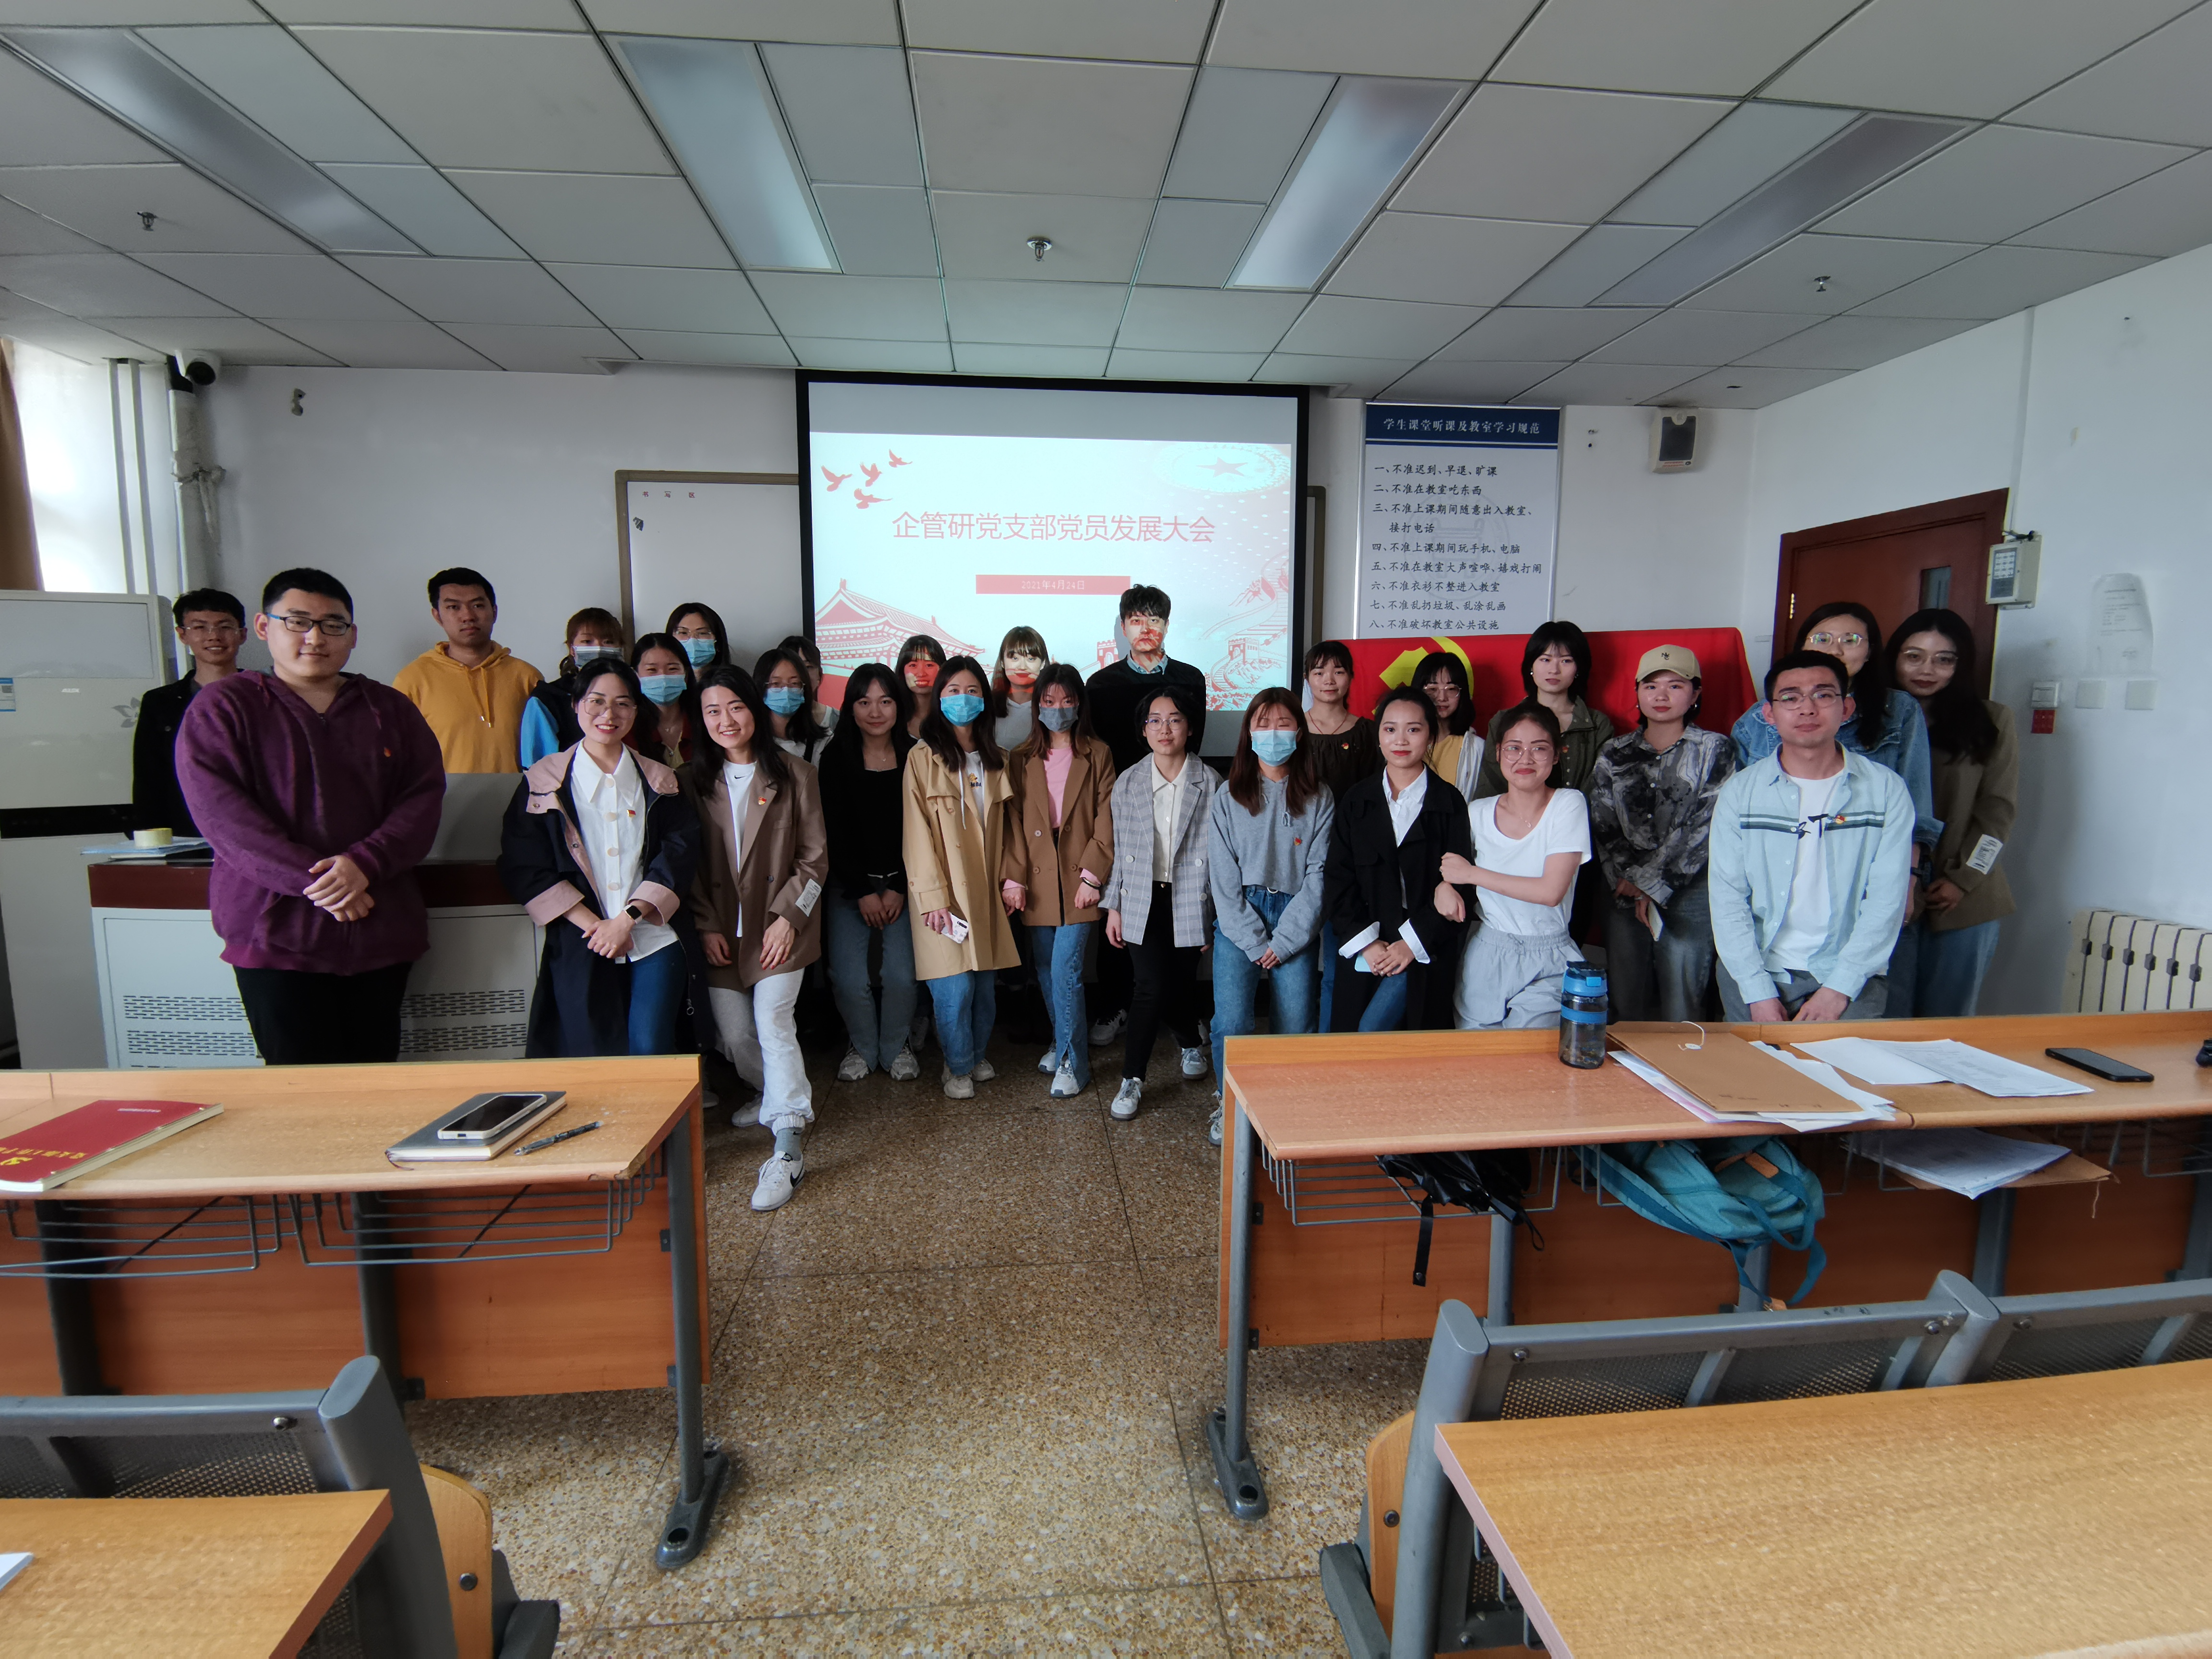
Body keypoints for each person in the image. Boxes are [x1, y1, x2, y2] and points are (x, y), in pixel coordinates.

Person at [176, 568, 444, 1065]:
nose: (316, 638)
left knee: (375, 1078)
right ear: (264, 627)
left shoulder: (390, 709)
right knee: (298, 1084)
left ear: (353, 635)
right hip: (276, 932)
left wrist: (363, 865)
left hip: (378, 924)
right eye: (298, 622)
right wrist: (321, 883)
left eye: (333, 625)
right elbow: (223, 817)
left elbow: (422, 799)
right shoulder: (224, 708)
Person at [500, 657, 699, 1059]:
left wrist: (625, 922)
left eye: (623, 704)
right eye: (597, 702)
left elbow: (678, 855)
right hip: (581, 937)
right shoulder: (542, 782)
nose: (609, 715)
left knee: (650, 1047)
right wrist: (598, 929)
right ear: (576, 705)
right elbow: (525, 864)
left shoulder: (661, 780)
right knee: (591, 1053)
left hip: (653, 933)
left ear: (636, 711)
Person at [1708, 650, 1915, 1023]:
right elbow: (1727, 897)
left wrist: (1839, 989)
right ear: (1769, 714)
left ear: (1846, 708)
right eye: (1790, 698)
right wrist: (1757, 991)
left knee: (1846, 1064)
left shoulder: (1885, 790)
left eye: (1823, 695)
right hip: (1756, 971)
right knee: (1750, 1064)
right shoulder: (1741, 791)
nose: (1807, 709)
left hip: (1851, 976)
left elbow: (1887, 899)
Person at [686, 665, 827, 1211]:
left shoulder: (796, 774)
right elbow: (686, 867)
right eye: (713, 711)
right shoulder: (688, 780)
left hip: (780, 932)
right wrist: (704, 923)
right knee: (736, 1034)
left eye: (736, 707)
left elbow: (814, 862)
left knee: (772, 1021)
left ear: (755, 710)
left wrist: (789, 918)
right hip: (720, 933)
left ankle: (787, 1145)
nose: (726, 720)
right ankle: (774, 1095)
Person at [1586, 645, 1736, 1023]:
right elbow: (1602, 820)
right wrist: (1633, 881)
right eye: (1651, 686)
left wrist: (1651, 883)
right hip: (1622, 889)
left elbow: (1707, 825)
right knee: (1626, 1000)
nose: (1662, 695)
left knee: (1683, 1002)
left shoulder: (1715, 749)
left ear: (1695, 694)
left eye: (1676, 686)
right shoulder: (1614, 753)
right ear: (1638, 693)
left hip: (1688, 893)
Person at [1085, 585, 1207, 1047]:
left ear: (1167, 626)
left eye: (1155, 619)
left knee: (1180, 916)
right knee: (1122, 908)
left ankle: (1182, 1014)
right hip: (1124, 807)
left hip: (1180, 804)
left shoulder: (1190, 679)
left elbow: (1191, 744)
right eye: (1137, 620)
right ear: (1124, 627)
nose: (1146, 628)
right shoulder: (1102, 684)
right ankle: (1115, 1005)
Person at [1209, 689, 1331, 1145]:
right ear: (1249, 733)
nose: (1273, 733)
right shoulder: (1228, 796)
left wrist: (1284, 941)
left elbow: (1320, 876)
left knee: (1295, 1025)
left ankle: (1283, 1108)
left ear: (1299, 733)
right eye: (1263, 724)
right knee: (1232, 1024)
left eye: (1283, 724)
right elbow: (1223, 879)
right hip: (1241, 915)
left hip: (1296, 916)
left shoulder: (1319, 796)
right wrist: (1254, 939)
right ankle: (1230, 1105)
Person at [1322, 686, 1472, 1034]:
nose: (1400, 740)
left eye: (1414, 729)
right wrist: (1367, 943)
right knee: (1351, 1039)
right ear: (1379, 736)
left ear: (1430, 736)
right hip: (1367, 946)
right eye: (1390, 729)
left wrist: (1412, 944)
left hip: (1424, 947)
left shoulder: (1449, 803)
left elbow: (1461, 888)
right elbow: (1338, 879)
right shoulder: (1356, 801)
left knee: (1392, 1038)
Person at [902, 656, 1019, 1097]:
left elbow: (1011, 832)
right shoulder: (922, 759)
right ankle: (957, 1068)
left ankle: (975, 1055)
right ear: (939, 699)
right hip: (944, 894)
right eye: (953, 691)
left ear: (985, 700)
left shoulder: (998, 759)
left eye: (972, 691)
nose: (963, 699)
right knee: (954, 988)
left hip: (986, 891)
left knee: (985, 988)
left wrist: (1012, 880)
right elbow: (915, 833)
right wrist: (933, 897)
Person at [1889, 609, 2017, 1016]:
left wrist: (1965, 878)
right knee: (1883, 1022)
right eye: (1914, 657)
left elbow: (1998, 811)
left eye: (1944, 659)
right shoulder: (1877, 720)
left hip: (1962, 896)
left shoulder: (1992, 720)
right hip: (1888, 891)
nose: (1927, 670)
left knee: (1945, 1024)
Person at [1100, 684, 1217, 1120]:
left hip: (1190, 897)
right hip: (1141, 897)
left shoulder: (1212, 783)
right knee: (1149, 986)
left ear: (1190, 728)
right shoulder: (1129, 781)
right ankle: (1132, 1078)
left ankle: (1189, 1041)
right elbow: (1119, 850)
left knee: (1180, 985)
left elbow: (1221, 857)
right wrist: (1113, 906)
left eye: (1174, 720)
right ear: (1144, 729)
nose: (1164, 729)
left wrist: (1215, 915)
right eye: (1155, 720)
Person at [1000, 663, 1115, 1099]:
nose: (1058, 709)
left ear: (1079, 704)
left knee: (1067, 971)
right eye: (1049, 701)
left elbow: (1107, 817)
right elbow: (1012, 824)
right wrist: (1013, 878)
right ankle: (1060, 1038)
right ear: (1037, 706)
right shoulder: (1020, 757)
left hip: (1080, 875)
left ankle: (1073, 1061)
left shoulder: (1098, 753)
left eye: (1067, 701)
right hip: (1035, 876)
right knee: (1047, 970)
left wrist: (1094, 876)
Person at [1444, 703, 1592, 1030]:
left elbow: (1551, 892)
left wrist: (1472, 874)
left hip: (1549, 955)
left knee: (1527, 1049)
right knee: (1477, 1052)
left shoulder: (1568, 805)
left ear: (1556, 755)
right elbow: (1447, 867)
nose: (1525, 759)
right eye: (1514, 748)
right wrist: (1444, 885)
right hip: (1487, 951)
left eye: (1539, 748)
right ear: (1498, 753)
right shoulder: (1477, 812)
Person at [817, 663, 921, 1083]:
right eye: (864, 702)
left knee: (901, 976)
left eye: (885, 701)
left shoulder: (917, 755)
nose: (875, 712)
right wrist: (862, 889)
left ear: (899, 705)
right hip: (850, 885)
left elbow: (923, 829)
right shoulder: (835, 757)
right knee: (847, 977)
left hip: (905, 884)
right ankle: (861, 1046)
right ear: (851, 707)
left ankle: (897, 1046)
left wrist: (897, 886)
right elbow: (834, 832)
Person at [393, 566, 542, 773]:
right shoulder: (412, 681)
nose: (468, 616)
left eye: (478, 605)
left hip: (520, 793)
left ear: (494, 612)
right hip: (445, 794)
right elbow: (396, 758)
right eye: (454, 607)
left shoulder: (527, 677)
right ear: (438, 616)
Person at [1301, 640, 1380, 1033]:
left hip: (1348, 864)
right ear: (1307, 679)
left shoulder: (1369, 733)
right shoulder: (1291, 730)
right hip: (1298, 861)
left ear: (1350, 677)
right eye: (1319, 672)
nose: (1328, 680)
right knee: (1297, 966)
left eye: (1338, 671)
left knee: (1338, 964)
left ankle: (1331, 1044)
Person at [134, 587, 244, 837]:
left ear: (243, 634)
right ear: (182, 635)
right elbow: (149, 778)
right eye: (200, 627)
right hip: (186, 832)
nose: (214, 636)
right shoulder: (160, 703)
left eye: (225, 627)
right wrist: (149, 837)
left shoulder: (268, 694)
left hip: (254, 831)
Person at [1476, 622, 1614, 799]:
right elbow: (1490, 789)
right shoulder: (1503, 721)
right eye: (1546, 660)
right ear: (1531, 666)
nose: (1554, 670)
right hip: (1513, 816)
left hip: (1579, 815)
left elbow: (1599, 790)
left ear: (1578, 668)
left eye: (1566, 661)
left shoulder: (1597, 725)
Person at [519, 607, 625, 767]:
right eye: (587, 641)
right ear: (572, 649)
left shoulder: (635, 695)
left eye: (608, 642)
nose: (598, 648)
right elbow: (539, 766)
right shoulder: (547, 699)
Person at [1414, 649, 1484, 800]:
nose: (1442, 698)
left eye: (1451, 689)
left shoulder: (1477, 748)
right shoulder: (1403, 742)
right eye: (1432, 689)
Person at [630, 633, 702, 766]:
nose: (663, 677)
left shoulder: (705, 721)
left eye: (672, 669)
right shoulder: (627, 728)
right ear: (636, 676)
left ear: (686, 675)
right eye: (652, 670)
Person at [755, 646, 831, 762]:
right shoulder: (750, 743)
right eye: (776, 683)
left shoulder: (823, 742)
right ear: (761, 687)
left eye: (794, 683)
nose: (786, 690)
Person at [990, 624, 1049, 752]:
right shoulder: (988, 706)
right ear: (1002, 662)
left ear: (1043, 663)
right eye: (1015, 658)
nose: (1022, 666)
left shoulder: (1051, 707)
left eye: (1031, 659)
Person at [777, 633, 839, 738]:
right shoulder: (764, 722)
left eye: (808, 667)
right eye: (793, 667)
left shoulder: (837, 720)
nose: (801, 674)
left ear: (819, 674)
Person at [896, 633, 946, 737]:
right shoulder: (893, 716)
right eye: (913, 665)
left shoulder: (952, 717)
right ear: (902, 671)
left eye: (929, 665)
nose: (921, 674)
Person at [667, 602, 731, 676]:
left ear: (718, 644)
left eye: (702, 633)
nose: (693, 640)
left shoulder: (733, 682)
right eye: (683, 633)